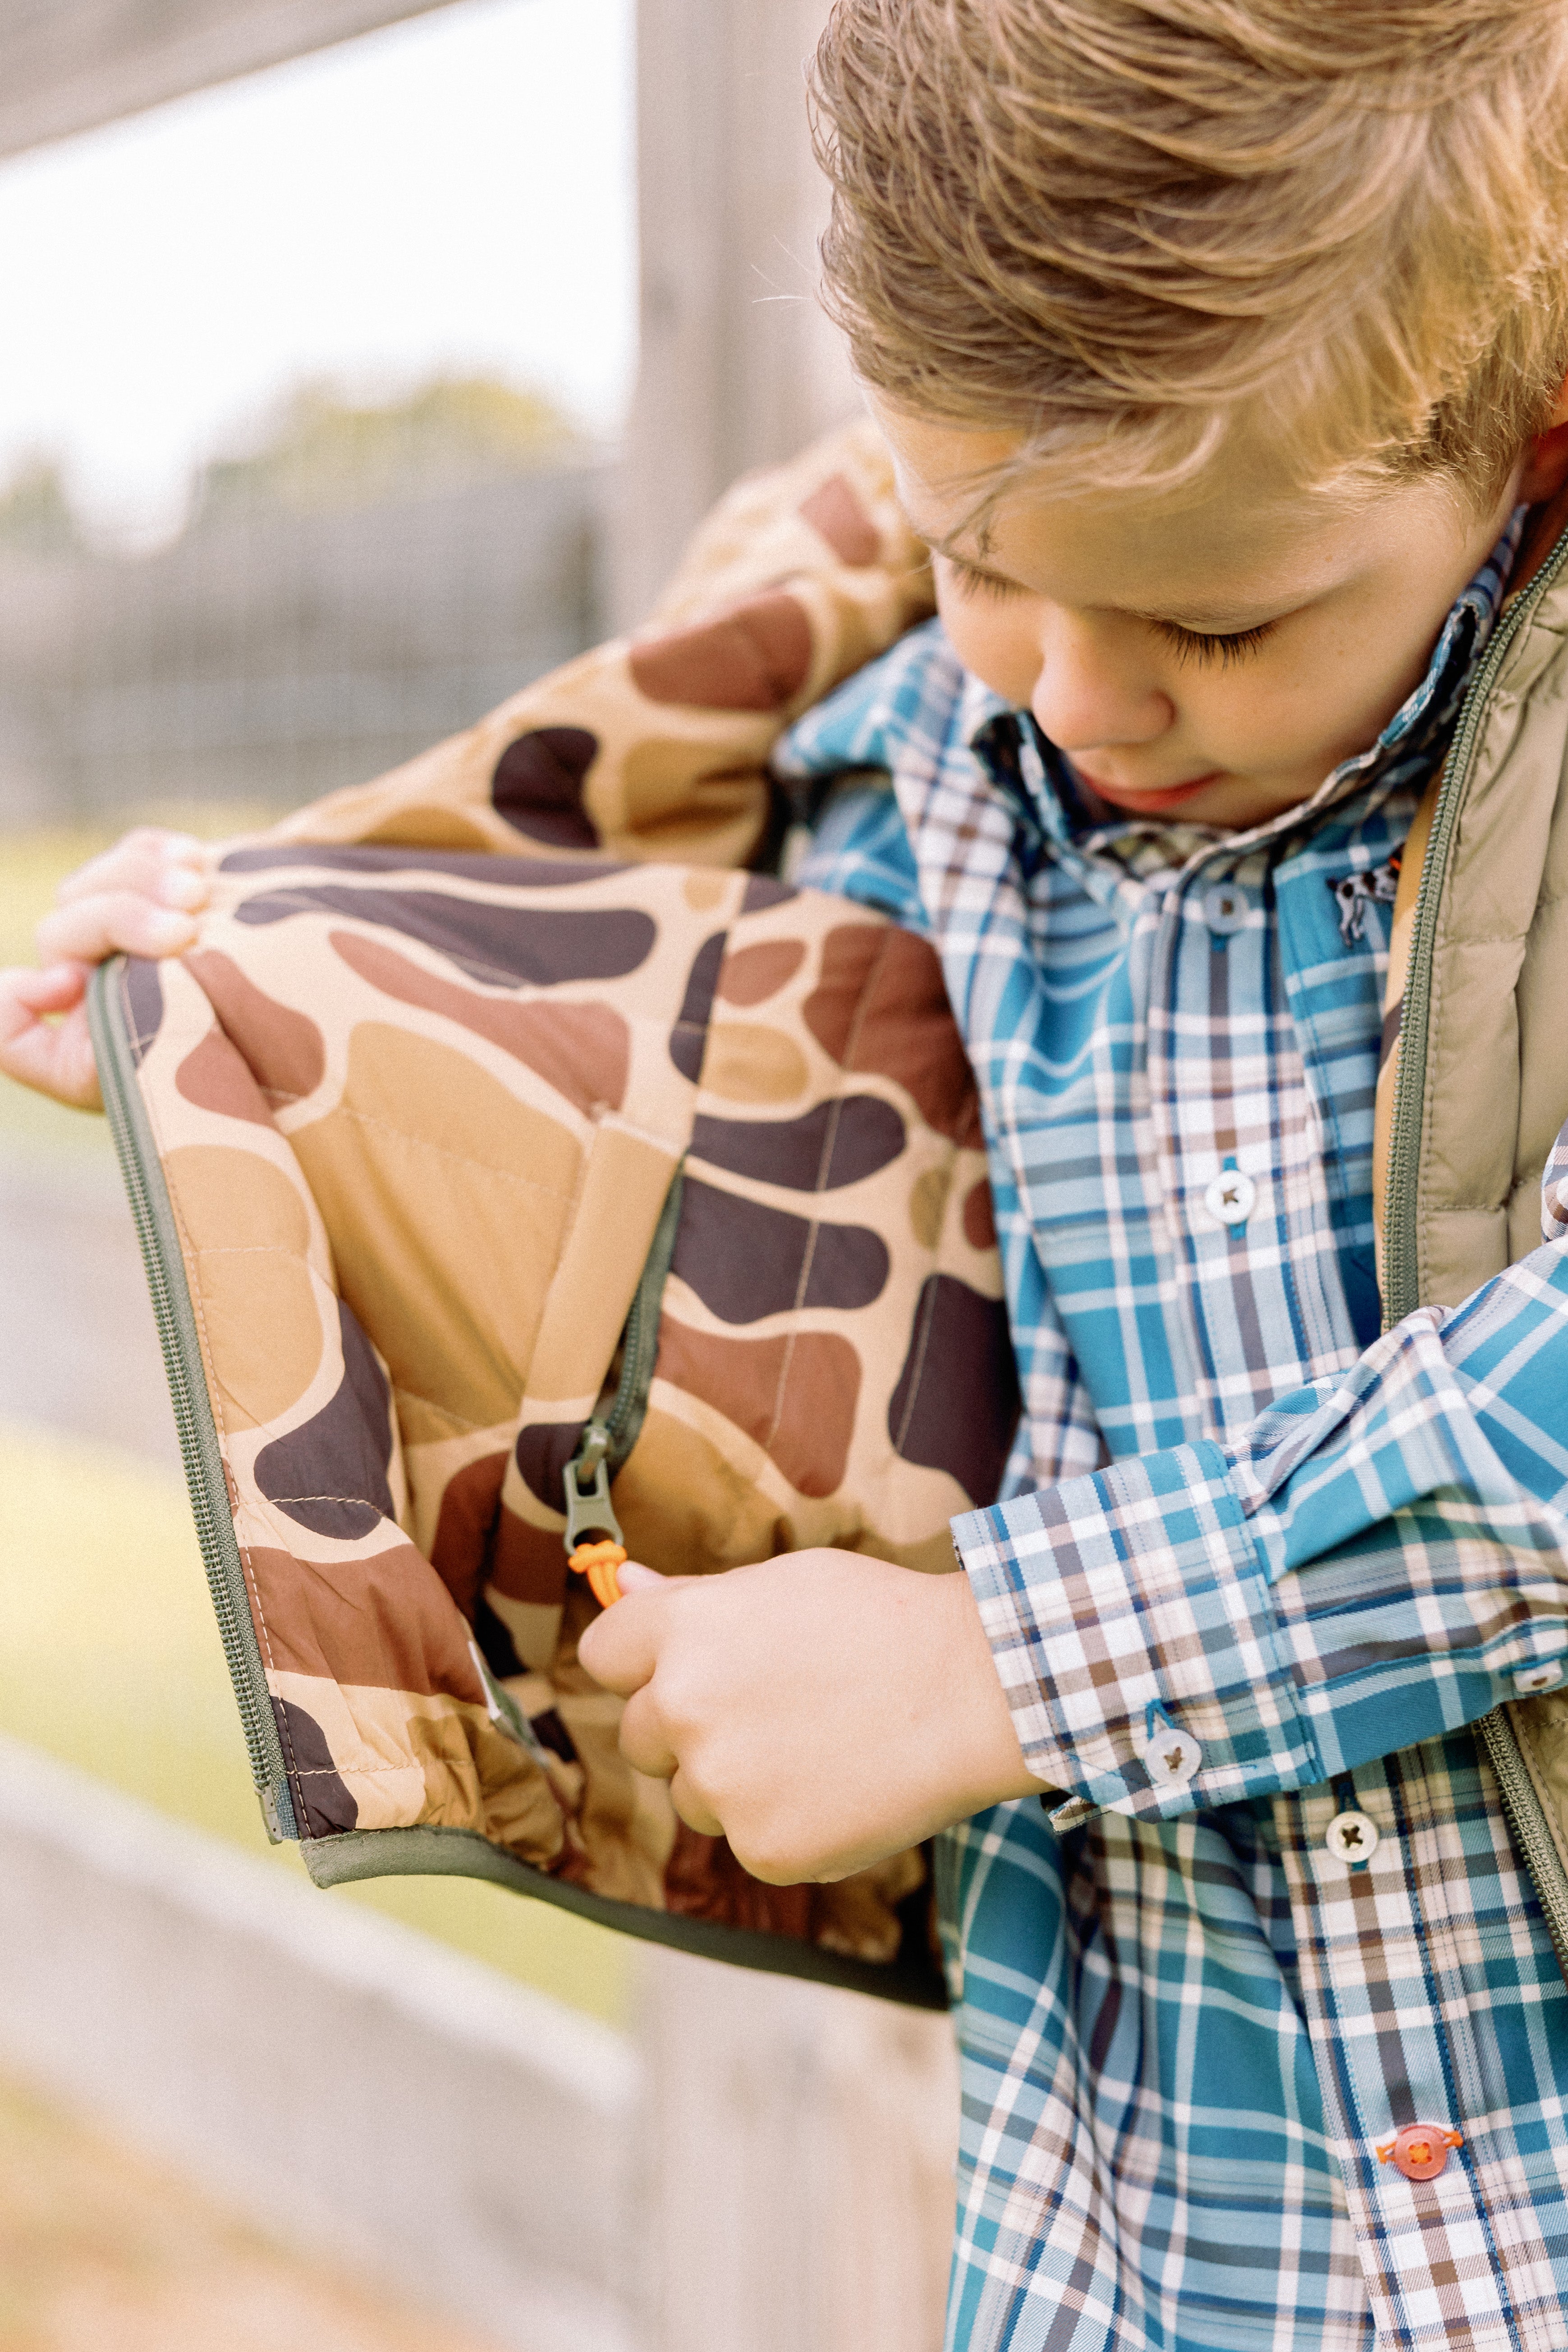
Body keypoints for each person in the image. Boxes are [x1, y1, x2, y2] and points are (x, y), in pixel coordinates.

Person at [9, 3, 1568, 2343]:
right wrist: (238, 1001)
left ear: (1529, 436)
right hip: (1151, 2244)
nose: (1071, 692)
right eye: (981, 564)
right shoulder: (890, 747)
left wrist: (1009, 1656)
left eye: (1218, 619)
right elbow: (622, 1021)